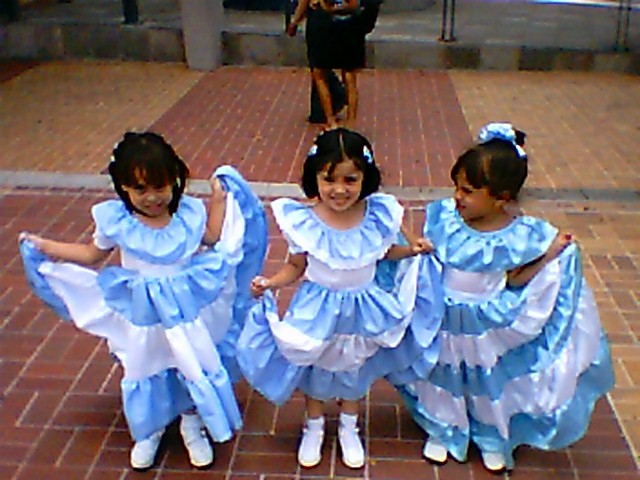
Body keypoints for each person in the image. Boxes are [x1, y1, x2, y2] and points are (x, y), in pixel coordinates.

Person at [18, 132, 268, 471]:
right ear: (123, 188)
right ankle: (149, 427)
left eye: (160, 186)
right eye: (140, 189)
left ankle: (191, 421)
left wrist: (219, 203)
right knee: (144, 364)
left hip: (185, 312)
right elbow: (92, 254)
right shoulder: (119, 222)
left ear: (175, 180)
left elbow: (210, 237)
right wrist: (47, 247)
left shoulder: (188, 215)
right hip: (144, 314)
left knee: (189, 360)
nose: (152, 197)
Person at [397, 122, 615, 472]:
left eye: (467, 191)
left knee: (486, 380)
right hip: (445, 319)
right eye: (456, 187)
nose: (458, 197)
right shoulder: (446, 220)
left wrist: (549, 255)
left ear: (501, 197)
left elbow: (516, 278)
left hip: (487, 323)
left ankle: (491, 436)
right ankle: (444, 428)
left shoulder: (518, 236)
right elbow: (432, 259)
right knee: (444, 374)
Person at [237, 128, 442, 469]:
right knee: (316, 364)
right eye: (329, 179)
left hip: (362, 306)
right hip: (318, 308)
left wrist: (411, 251)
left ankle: (349, 425)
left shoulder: (376, 215)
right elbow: (296, 265)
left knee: (354, 365)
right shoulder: (304, 219)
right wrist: (271, 282)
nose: (339, 189)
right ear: (314, 177)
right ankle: (314, 425)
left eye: (350, 180)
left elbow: (384, 253)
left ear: (366, 178)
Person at [288, 0, 365, 129]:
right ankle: (351, 122)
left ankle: (331, 121)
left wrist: (295, 21)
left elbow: (304, 3)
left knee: (319, 73)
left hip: (321, 21)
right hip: (348, 22)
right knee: (349, 76)